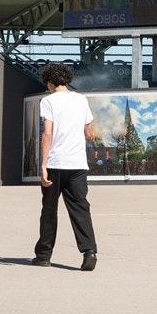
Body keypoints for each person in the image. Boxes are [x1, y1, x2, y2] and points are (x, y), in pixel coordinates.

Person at [34, 63, 98, 271]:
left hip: (55, 163)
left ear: (50, 82)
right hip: (78, 164)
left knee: (49, 210)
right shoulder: (81, 99)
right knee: (80, 208)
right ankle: (89, 251)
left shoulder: (48, 101)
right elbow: (90, 133)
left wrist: (43, 165)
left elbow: (47, 134)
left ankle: (44, 255)